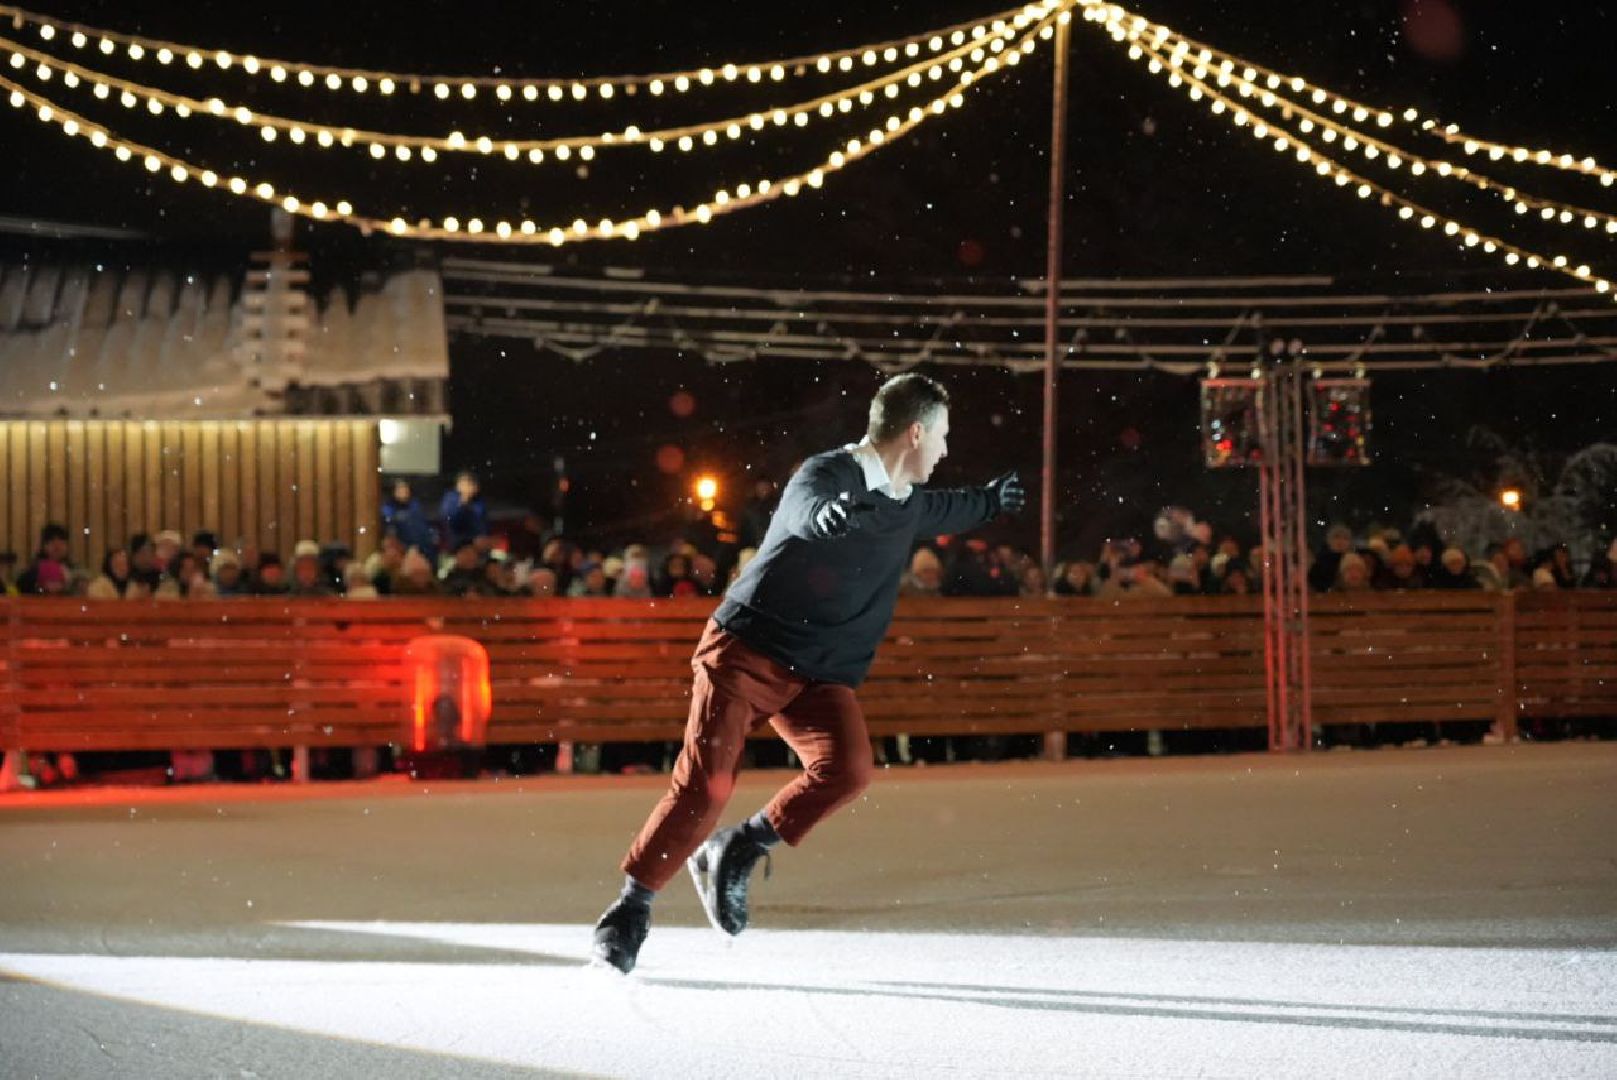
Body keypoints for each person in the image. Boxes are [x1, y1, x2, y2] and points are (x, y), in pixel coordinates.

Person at [590, 372, 1025, 974]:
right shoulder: (828, 475)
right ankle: (631, 909)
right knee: (706, 785)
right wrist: (822, 519)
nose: (947, 449)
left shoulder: (910, 503)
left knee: (848, 769)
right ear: (916, 431)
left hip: (817, 674)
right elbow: (803, 509)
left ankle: (739, 847)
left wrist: (992, 500)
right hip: (747, 650)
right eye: (944, 435)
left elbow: (955, 505)